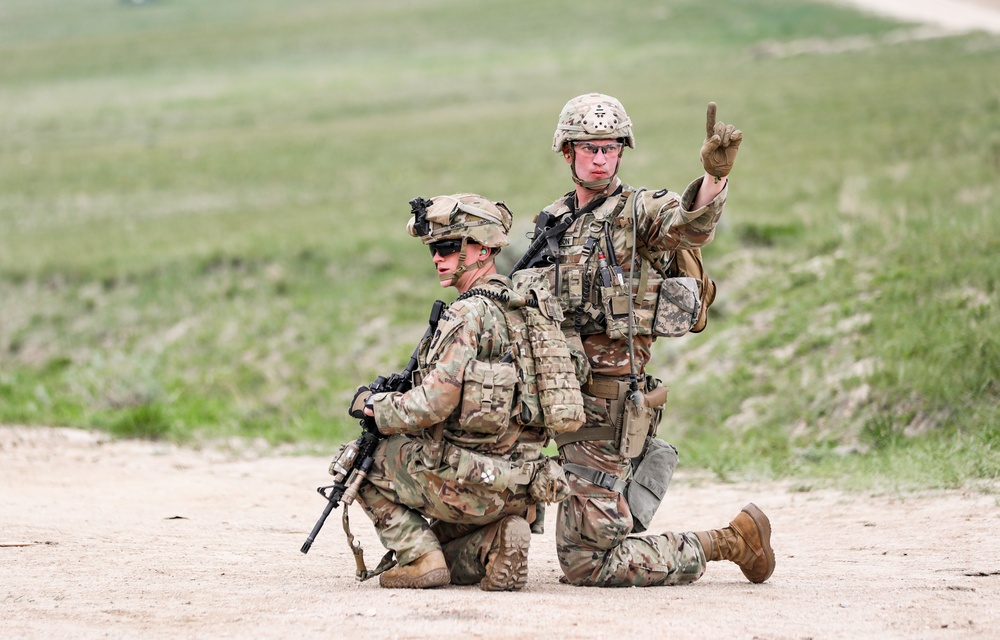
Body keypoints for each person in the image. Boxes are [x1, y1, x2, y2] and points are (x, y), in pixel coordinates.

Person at [520, 93, 775, 587]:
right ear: (567, 152)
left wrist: (714, 180)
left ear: (622, 152)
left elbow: (688, 224)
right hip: (557, 397)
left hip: (609, 406)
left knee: (587, 564)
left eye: (610, 147)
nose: (600, 157)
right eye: (589, 147)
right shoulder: (551, 220)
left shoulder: (638, 213)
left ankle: (733, 539)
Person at [352, 193, 571, 590]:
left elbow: (433, 404)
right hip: (525, 485)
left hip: (471, 483)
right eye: (434, 249)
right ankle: (494, 543)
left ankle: (419, 559)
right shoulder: (529, 308)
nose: (438, 257)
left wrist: (375, 407)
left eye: (449, 247)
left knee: (359, 462)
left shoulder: (467, 314)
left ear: (483, 248)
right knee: (445, 546)